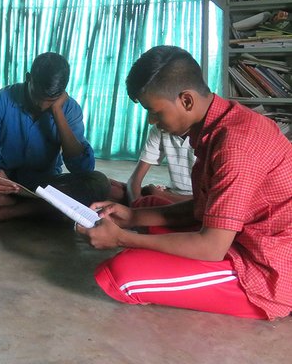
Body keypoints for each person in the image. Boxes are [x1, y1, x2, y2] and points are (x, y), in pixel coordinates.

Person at [78, 46, 292, 320]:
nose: (152, 121)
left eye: (154, 112)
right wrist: (131, 215)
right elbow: (205, 208)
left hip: (267, 265)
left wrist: (121, 237)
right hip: (239, 235)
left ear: (186, 101)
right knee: (149, 206)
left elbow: (211, 247)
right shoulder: (221, 121)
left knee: (123, 275)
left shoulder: (235, 147)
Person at [0, 52, 109, 224]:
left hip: (44, 186)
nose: (42, 105)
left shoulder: (70, 110)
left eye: (51, 101)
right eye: (37, 96)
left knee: (98, 183)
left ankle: (4, 211)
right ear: (28, 78)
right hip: (1, 181)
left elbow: (82, 168)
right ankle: (36, 209)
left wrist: (58, 112)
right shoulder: (4, 98)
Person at [124, 126, 194, 205]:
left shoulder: (207, 136)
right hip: (172, 193)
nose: (151, 121)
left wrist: (158, 194)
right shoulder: (160, 128)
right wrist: (136, 205)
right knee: (112, 187)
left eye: (156, 113)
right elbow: (134, 180)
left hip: (196, 202)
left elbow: (205, 199)